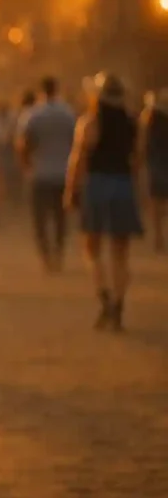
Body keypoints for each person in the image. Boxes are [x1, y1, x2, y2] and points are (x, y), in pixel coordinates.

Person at [65, 72, 143, 331]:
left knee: (92, 247)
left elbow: (79, 159)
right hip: (122, 185)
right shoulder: (132, 124)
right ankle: (119, 305)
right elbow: (137, 159)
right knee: (120, 253)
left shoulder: (90, 123)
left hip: (97, 185)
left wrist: (71, 190)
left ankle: (105, 298)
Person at [17, 76, 76, 273]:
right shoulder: (68, 113)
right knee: (60, 218)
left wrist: (26, 166)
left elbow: (23, 144)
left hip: (40, 173)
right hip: (63, 173)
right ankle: (58, 254)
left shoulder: (33, 114)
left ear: (42, 90)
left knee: (39, 219)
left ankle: (45, 257)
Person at [139, 88, 168, 252]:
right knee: (162, 202)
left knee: (156, 202)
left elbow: (142, 142)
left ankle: (159, 237)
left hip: (154, 162)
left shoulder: (147, 117)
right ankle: (160, 236)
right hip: (163, 161)